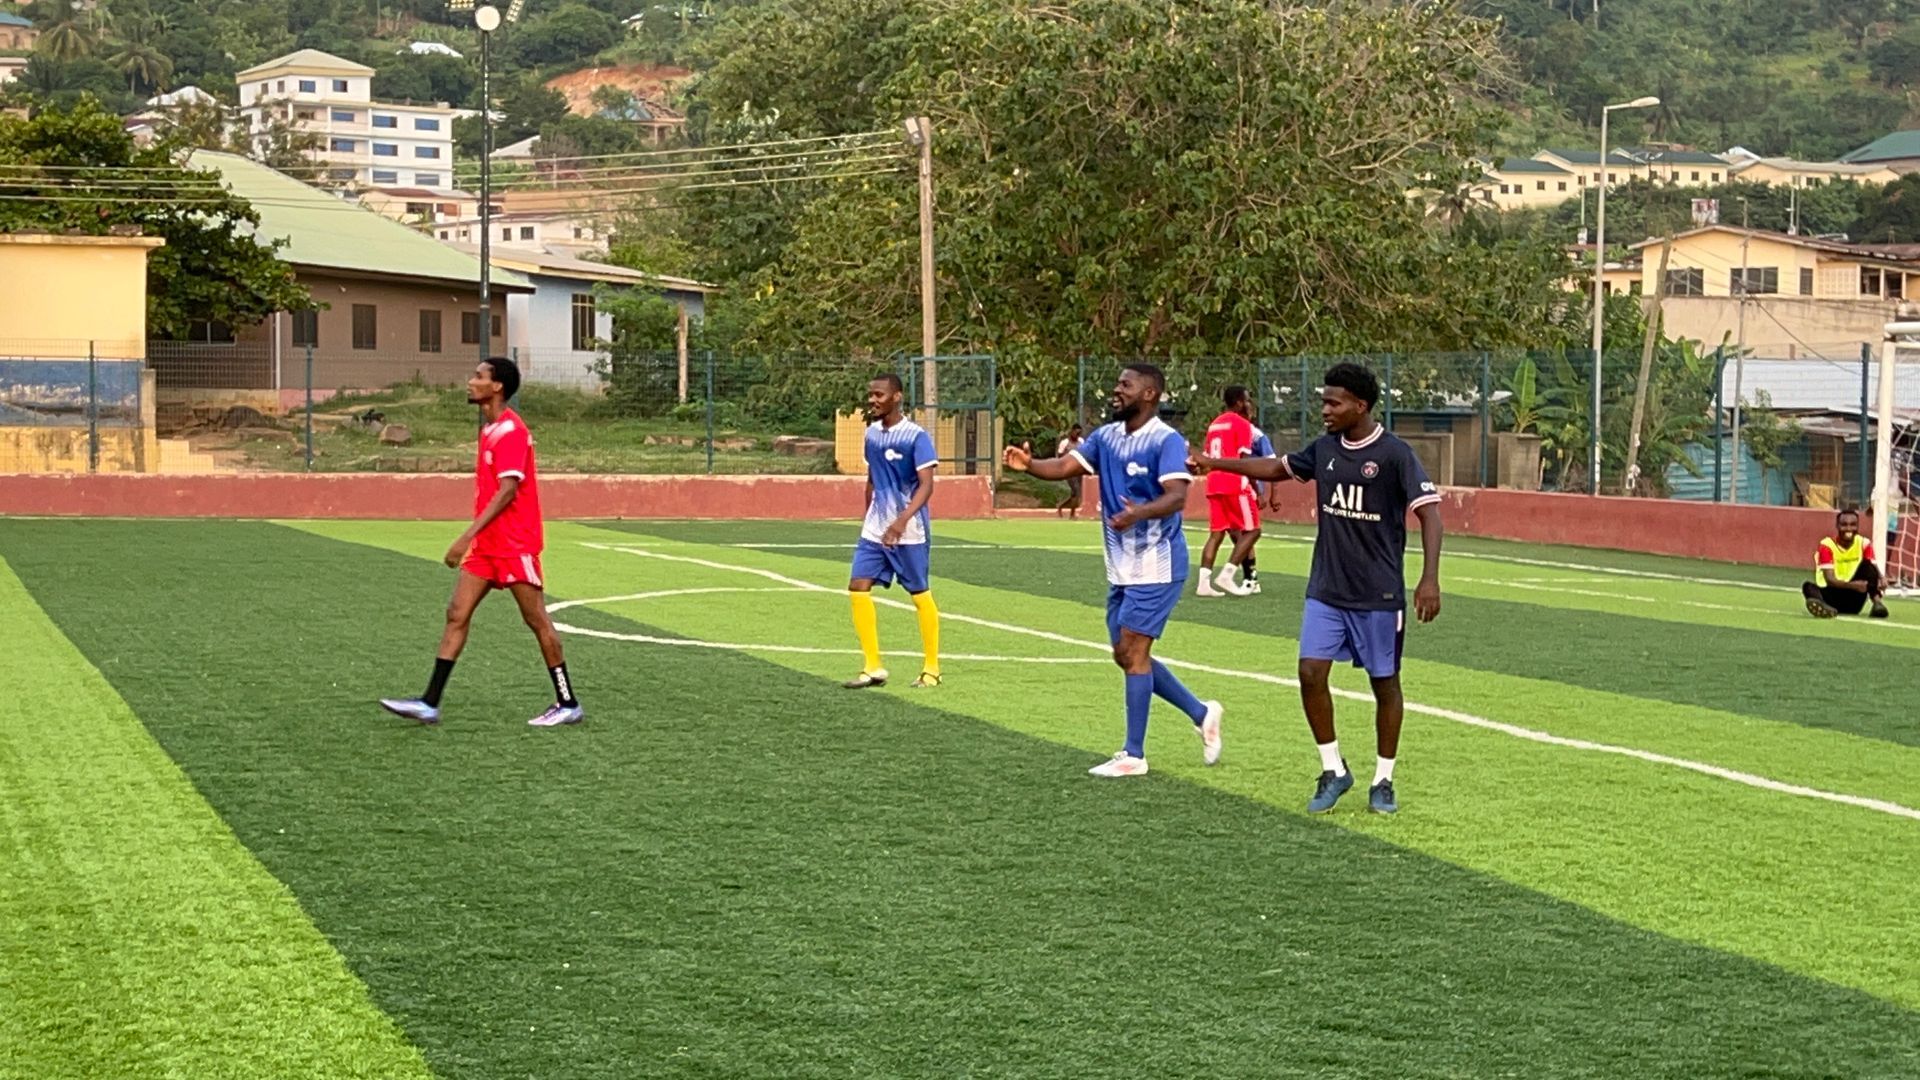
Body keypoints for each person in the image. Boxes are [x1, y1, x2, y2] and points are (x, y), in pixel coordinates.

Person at [1193, 363, 1441, 814]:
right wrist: (1215, 463)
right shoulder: (1324, 449)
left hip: (1379, 593)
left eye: (1334, 402)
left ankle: (1383, 779)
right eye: (1324, 400)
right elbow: (1273, 467)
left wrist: (1429, 578)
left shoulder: (1394, 454)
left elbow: (1431, 515)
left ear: (1360, 406)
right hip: (1326, 588)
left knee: (1384, 684)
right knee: (1310, 673)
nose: (1324, 409)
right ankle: (1334, 769)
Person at [1004, 364, 1223, 777]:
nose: (1116, 390)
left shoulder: (1166, 440)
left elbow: (1177, 496)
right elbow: (1065, 467)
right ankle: (1201, 713)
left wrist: (1138, 513)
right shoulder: (1105, 437)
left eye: (1126, 385)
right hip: (1121, 567)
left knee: (1133, 652)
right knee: (1127, 655)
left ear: (1150, 394)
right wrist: (1030, 465)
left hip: (1158, 565)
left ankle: (1133, 755)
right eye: (1118, 384)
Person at [380, 357, 583, 727]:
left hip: (514, 545)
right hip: (488, 549)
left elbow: (508, 491)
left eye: (478, 376)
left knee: (536, 620)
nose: (471, 382)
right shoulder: (490, 430)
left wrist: (463, 538)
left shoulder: (511, 432)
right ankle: (430, 702)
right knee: (457, 612)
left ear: (497, 387)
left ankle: (567, 703)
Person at [844, 373, 943, 689]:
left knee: (919, 594)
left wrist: (901, 521)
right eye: (870, 395)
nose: (873, 400)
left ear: (897, 397)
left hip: (909, 530)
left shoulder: (916, 436)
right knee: (858, 585)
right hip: (875, 529)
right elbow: (873, 477)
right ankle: (872, 666)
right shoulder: (871, 434)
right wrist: (868, 515)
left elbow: (926, 486)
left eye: (879, 395)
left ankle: (932, 668)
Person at [1195, 386, 1261, 598]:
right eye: (1248, 399)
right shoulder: (1242, 424)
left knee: (1217, 533)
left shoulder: (1215, 424)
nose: (1250, 403)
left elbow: (1206, 459)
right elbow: (1244, 461)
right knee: (1253, 531)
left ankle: (1203, 583)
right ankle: (1228, 574)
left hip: (1214, 482)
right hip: (1234, 482)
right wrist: (1256, 488)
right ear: (1240, 402)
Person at [1804, 508, 1890, 619]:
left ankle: (1877, 603)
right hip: (1832, 596)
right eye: (1844, 525)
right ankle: (1824, 608)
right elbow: (1830, 580)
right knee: (1808, 587)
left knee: (1868, 566)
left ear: (1857, 526)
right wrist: (1854, 586)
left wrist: (1881, 578)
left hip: (1854, 600)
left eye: (1853, 525)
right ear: (1837, 526)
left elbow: (1872, 567)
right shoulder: (1827, 546)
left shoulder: (1864, 543)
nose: (1848, 529)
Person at [1056, 424, 1086, 518]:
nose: (1077, 435)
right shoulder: (1065, 443)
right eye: (1076, 433)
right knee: (1076, 491)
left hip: (1078, 470)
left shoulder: (1081, 441)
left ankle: (1061, 506)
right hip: (1068, 470)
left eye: (1079, 433)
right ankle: (1072, 514)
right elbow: (1060, 455)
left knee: (1076, 493)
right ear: (1072, 431)